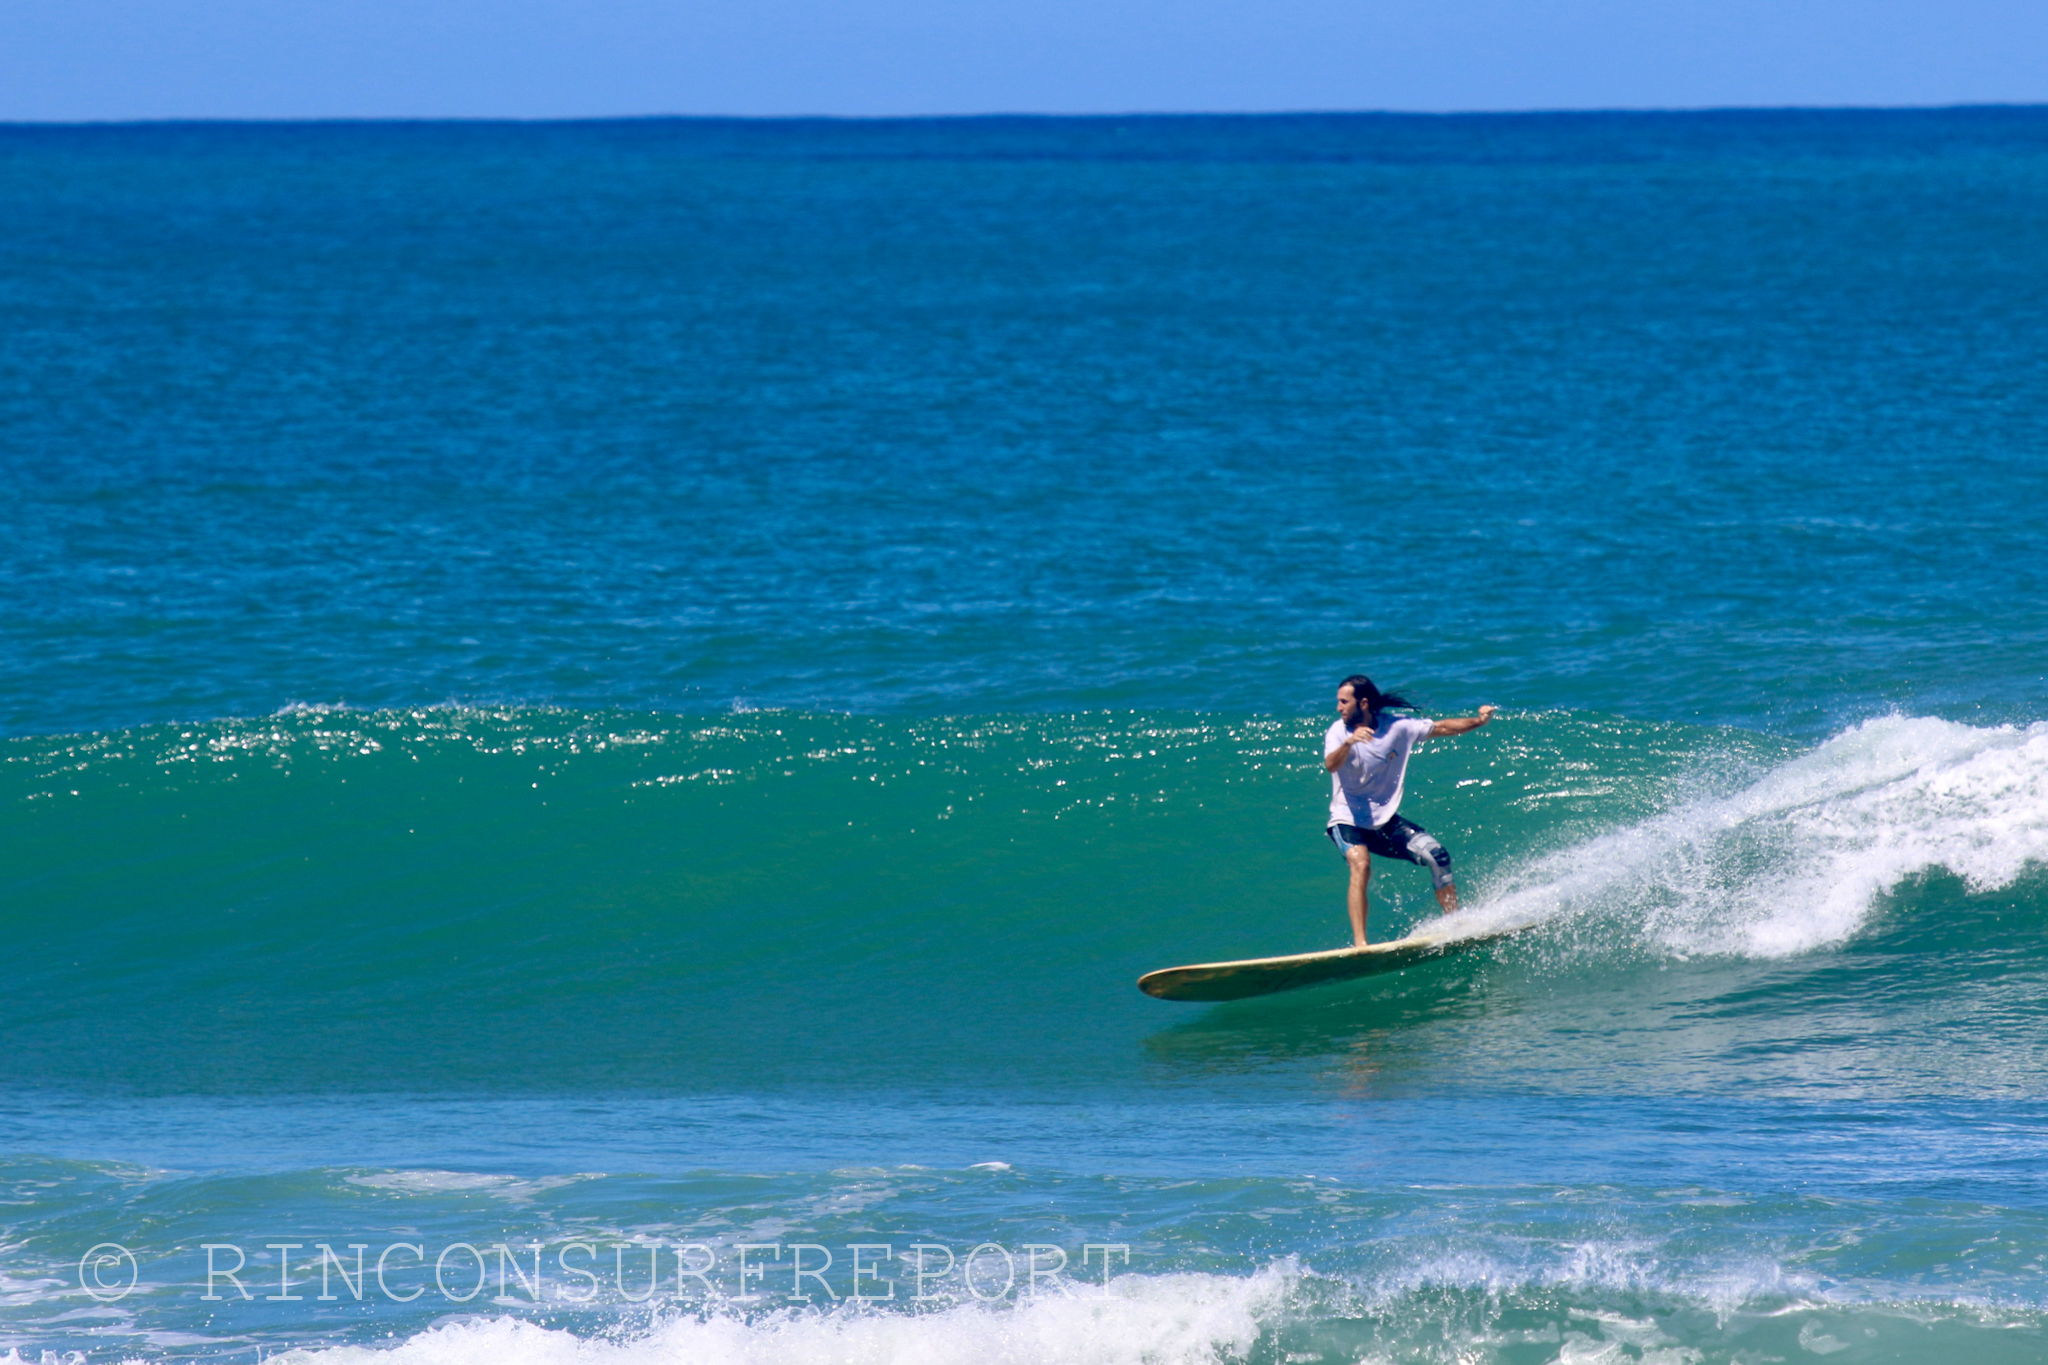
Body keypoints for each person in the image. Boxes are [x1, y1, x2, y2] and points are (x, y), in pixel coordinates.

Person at [1324, 674, 1496, 947]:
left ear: (1364, 703)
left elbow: (1443, 728)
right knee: (1361, 864)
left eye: (1344, 702)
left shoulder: (1397, 727)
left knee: (1438, 857)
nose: (1339, 707)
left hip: (1384, 821)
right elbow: (1331, 765)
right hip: (1347, 820)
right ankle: (1361, 945)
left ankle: (1458, 926)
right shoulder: (1338, 732)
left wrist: (1478, 721)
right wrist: (1349, 743)